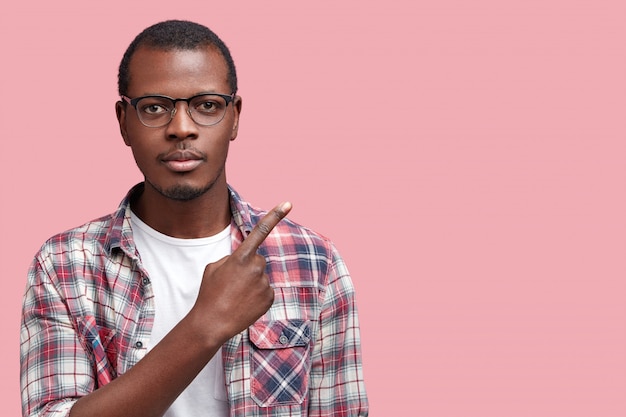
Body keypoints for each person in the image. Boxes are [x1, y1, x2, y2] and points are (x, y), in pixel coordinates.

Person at [19, 20, 368, 417]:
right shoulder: (64, 265)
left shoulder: (314, 262)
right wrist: (204, 327)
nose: (181, 128)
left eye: (206, 106)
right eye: (154, 107)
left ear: (234, 117)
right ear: (123, 121)